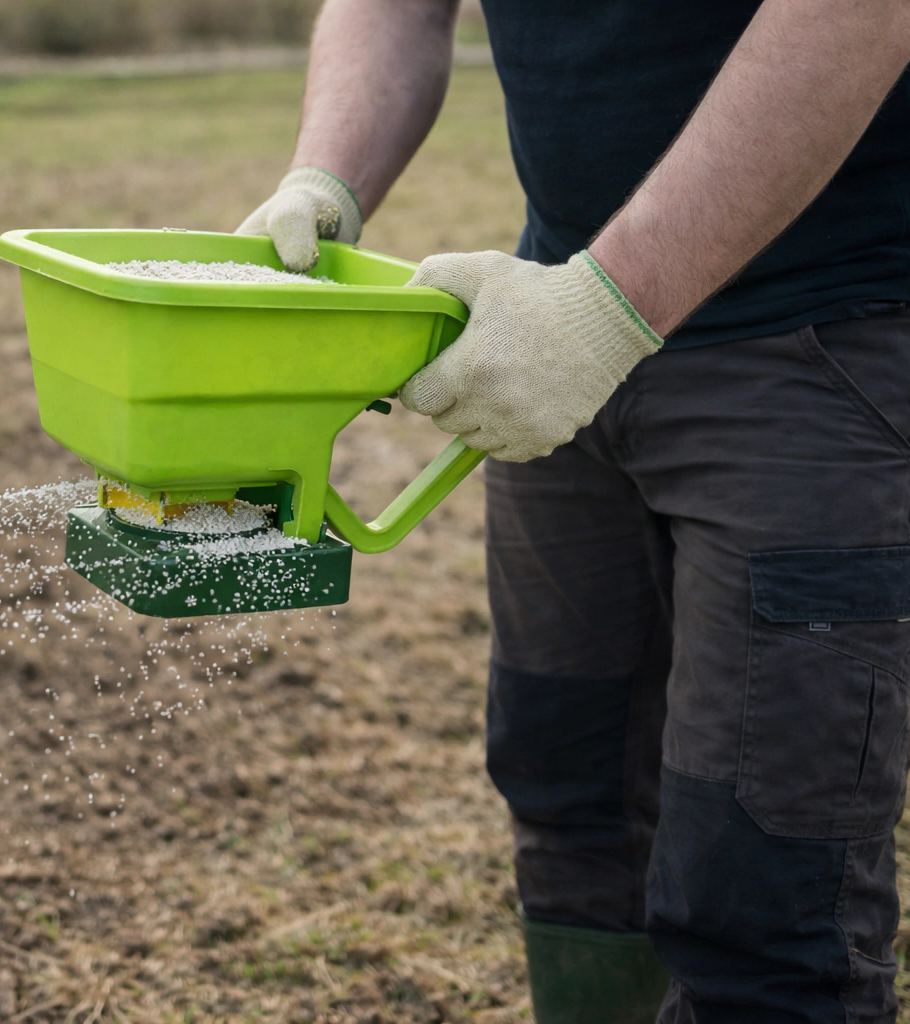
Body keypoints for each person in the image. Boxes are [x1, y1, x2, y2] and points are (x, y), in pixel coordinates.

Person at [236, 0, 910, 1019]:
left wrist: (616, 300)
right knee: (571, 793)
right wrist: (323, 175)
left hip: (814, 341)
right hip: (549, 314)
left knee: (766, 886)